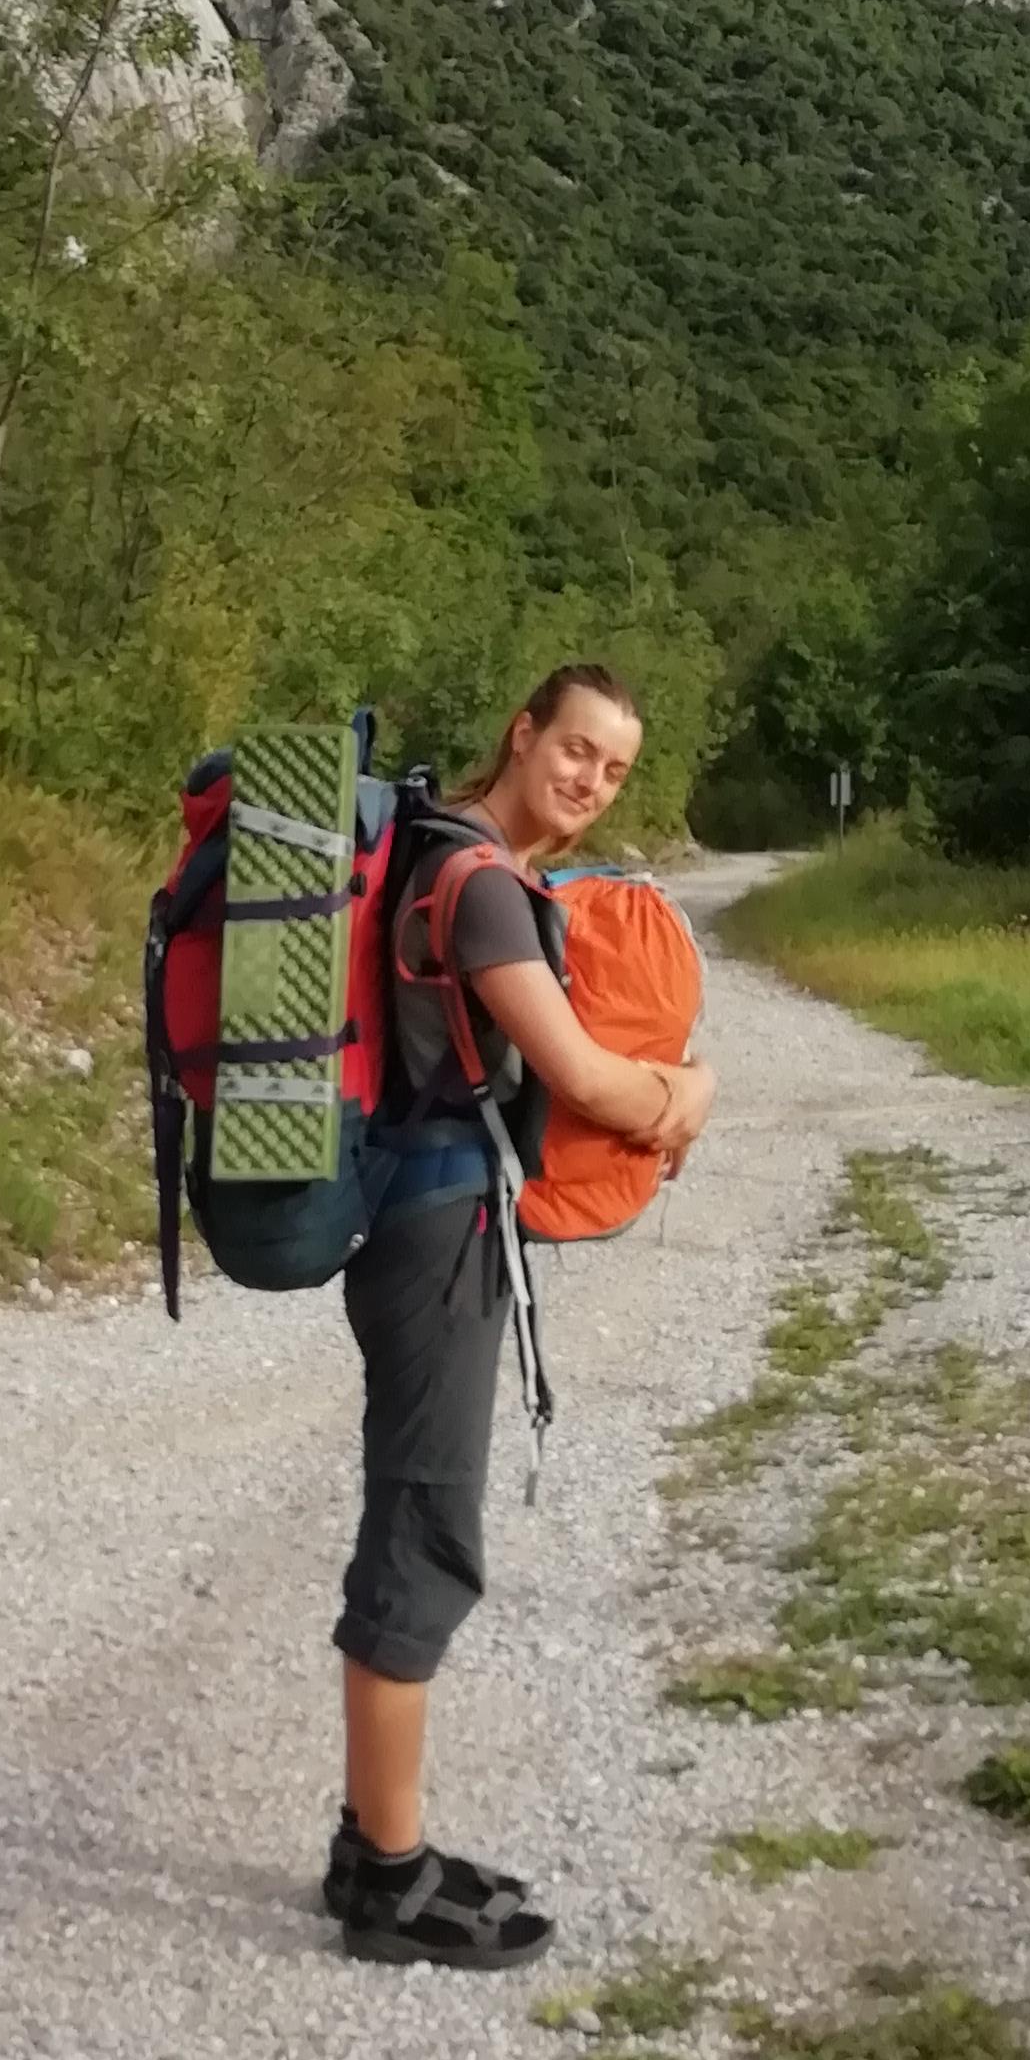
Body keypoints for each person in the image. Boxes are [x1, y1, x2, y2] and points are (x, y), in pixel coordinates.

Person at [324, 662, 717, 1969]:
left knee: (415, 1513)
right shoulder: (482, 885)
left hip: (429, 1219)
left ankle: (369, 1842)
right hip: (436, 1236)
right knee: (424, 1526)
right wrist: (691, 1094)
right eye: (577, 748)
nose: (593, 780)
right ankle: (390, 1881)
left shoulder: (448, 853)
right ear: (524, 731)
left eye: (616, 769)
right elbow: (584, 1078)